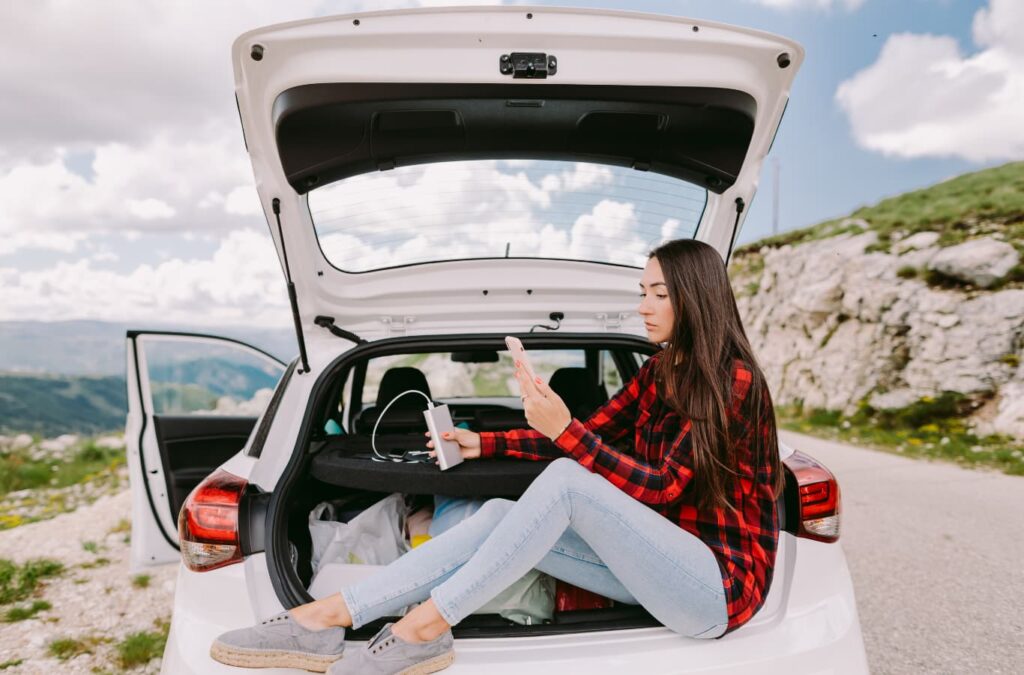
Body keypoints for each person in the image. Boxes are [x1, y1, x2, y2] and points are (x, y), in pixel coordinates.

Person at [210, 239, 782, 674]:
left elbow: (659, 486)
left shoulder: (732, 381)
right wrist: (483, 442)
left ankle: (426, 625)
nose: (644, 306)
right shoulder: (660, 371)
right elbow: (590, 429)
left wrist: (566, 433)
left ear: (698, 298)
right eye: (642, 292)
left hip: (714, 588)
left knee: (564, 476)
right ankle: (326, 615)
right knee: (497, 514)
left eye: (660, 293)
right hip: (653, 568)